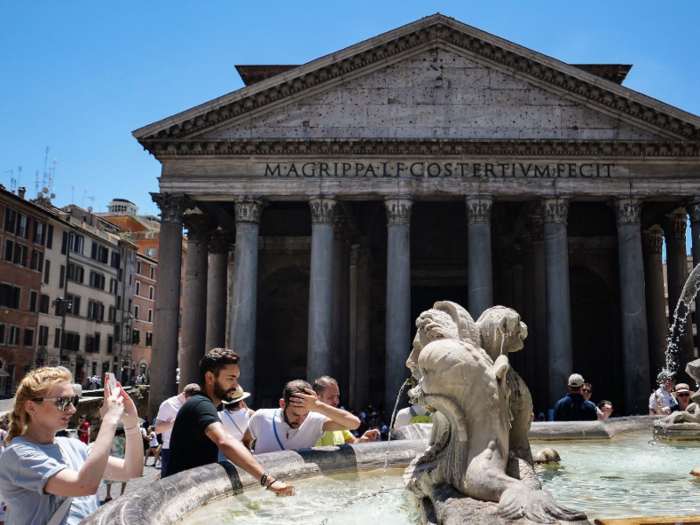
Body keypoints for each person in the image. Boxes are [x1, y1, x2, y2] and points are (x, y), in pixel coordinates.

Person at [0, 366, 143, 525]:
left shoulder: (73, 446)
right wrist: (109, 420)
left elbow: (131, 470)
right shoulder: (19, 455)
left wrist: (131, 423)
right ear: (31, 407)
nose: (72, 409)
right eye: (62, 402)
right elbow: (83, 486)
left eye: (73, 401)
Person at [165, 348, 295, 497]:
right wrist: (269, 481)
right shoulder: (201, 405)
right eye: (230, 378)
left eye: (236, 378)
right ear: (210, 378)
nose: (236, 385)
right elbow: (225, 440)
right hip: (182, 495)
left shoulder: (202, 404)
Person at [243, 380, 361, 454]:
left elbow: (354, 423)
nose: (299, 420)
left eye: (305, 414)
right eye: (295, 414)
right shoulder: (261, 416)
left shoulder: (315, 421)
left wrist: (318, 406)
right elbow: (245, 441)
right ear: (283, 404)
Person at [312, 376, 379, 445]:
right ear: (317, 398)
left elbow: (353, 443)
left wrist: (363, 439)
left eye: (337, 396)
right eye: (331, 397)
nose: (336, 401)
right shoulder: (309, 420)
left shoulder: (339, 419)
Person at [154, 383, 200, 478]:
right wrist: (173, 423)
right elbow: (157, 429)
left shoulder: (194, 405)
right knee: (168, 482)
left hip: (189, 449)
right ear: (183, 394)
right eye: (189, 400)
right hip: (171, 449)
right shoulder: (168, 404)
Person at [102, 426, 127, 502]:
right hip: (120, 457)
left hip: (111, 457)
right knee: (124, 475)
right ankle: (122, 493)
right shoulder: (123, 439)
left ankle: (108, 494)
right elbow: (126, 449)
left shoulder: (111, 439)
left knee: (109, 475)